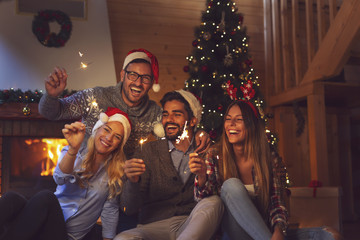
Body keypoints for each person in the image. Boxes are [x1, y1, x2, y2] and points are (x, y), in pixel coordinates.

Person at [189, 100, 337, 240]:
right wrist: (202, 177)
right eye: (228, 119)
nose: (231, 124)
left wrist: (279, 231)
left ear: (252, 125)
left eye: (239, 119)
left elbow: (276, 202)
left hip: (261, 231)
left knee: (329, 235)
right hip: (231, 234)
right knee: (231, 185)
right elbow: (206, 204)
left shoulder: (268, 158)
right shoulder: (214, 155)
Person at [38, 48, 209, 159]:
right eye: (132, 75)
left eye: (145, 78)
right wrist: (51, 96)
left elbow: (176, 133)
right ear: (122, 75)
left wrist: (199, 133)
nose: (137, 83)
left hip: (117, 184)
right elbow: (52, 112)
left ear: (151, 83)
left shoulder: (154, 113)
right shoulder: (96, 96)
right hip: (81, 173)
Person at [0, 107, 132, 240]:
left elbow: (110, 210)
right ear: (97, 129)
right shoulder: (75, 150)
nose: (109, 138)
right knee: (11, 198)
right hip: (45, 222)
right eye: (107, 130)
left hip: (65, 236)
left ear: (119, 144)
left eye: (117, 137)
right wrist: (73, 150)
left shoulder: (116, 172)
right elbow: (59, 178)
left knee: (46, 197)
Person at [115, 90, 224, 240]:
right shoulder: (148, 151)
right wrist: (133, 182)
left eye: (177, 114)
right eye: (165, 114)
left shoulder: (206, 152)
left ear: (192, 121)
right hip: (152, 227)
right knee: (123, 239)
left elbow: (214, 202)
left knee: (214, 202)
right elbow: (129, 208)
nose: (168, 120)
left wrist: (202, 175)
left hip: (191, 224)